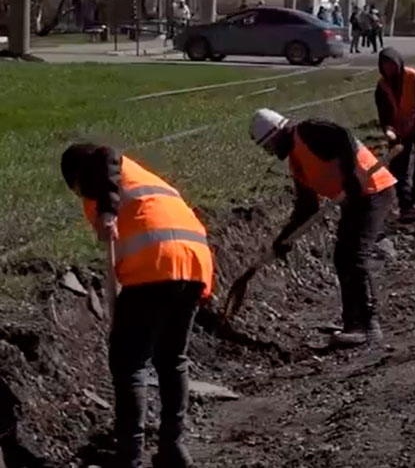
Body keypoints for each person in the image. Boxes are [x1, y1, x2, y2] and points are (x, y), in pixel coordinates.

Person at [60, 144, 214, 468]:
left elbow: (106, 154)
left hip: (154, 266)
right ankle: (173, 447)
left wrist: (106, 210)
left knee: (130, 363)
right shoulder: (143, 180)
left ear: (77, 177)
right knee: (172, 358)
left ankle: (129, 456)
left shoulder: (103, 168)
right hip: (194, 263)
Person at [250, 109, 396, 347]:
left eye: (271, 145)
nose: (273, 152)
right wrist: (284, 239)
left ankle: (370, 326)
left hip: (373, 191)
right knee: (342, 257)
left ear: (278, 134)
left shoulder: (309, 131)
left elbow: (344, 136)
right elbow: (306, 208)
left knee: (356, 258)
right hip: (355, 200)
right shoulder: (297, 163)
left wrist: (350, 177)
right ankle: (353, 325)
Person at [375, 48, 415, 220]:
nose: (389, 69)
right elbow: (384, 114)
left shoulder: (414, 78)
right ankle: (406, 204)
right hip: (400, 128)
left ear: (399, 63)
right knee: (398, 163)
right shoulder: (382, 87)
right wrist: (389, 129)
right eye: (385, 66)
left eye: (392, 65)